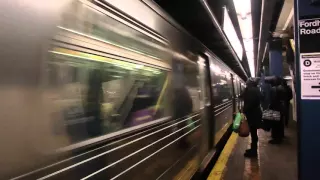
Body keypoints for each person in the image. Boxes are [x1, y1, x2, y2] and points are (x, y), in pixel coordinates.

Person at [239, 78, 262, 158]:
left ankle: (253, 152)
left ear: (250, 83)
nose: (246, 83)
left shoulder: (251, 91)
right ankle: (253, 149)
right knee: (253, 133)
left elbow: (249, 103)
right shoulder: (255, 89)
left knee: (253, 133)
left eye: (247, 82)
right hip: (255, 114)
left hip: (253, 115)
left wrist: (244, 111)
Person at [269, 77, 286, 144]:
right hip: (281, 108)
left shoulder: (274, 89)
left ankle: (276, 139)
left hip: (275, 108)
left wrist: (270, 107)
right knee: (280, 124)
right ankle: (280, 137)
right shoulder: (282, 88)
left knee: (275, 125)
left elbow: (273, 100)